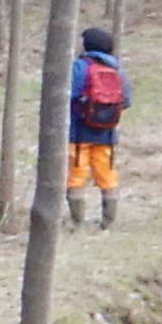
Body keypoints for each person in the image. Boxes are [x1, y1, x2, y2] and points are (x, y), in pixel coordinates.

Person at [68, 24, 130, 228]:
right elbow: (126, 100)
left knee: (77, 175)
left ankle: (77, 223)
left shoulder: (79, 66)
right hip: (107, 133)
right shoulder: (117, 68)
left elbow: (69, 94)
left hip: (78, 131)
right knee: (107, 175)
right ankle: (107, 222)